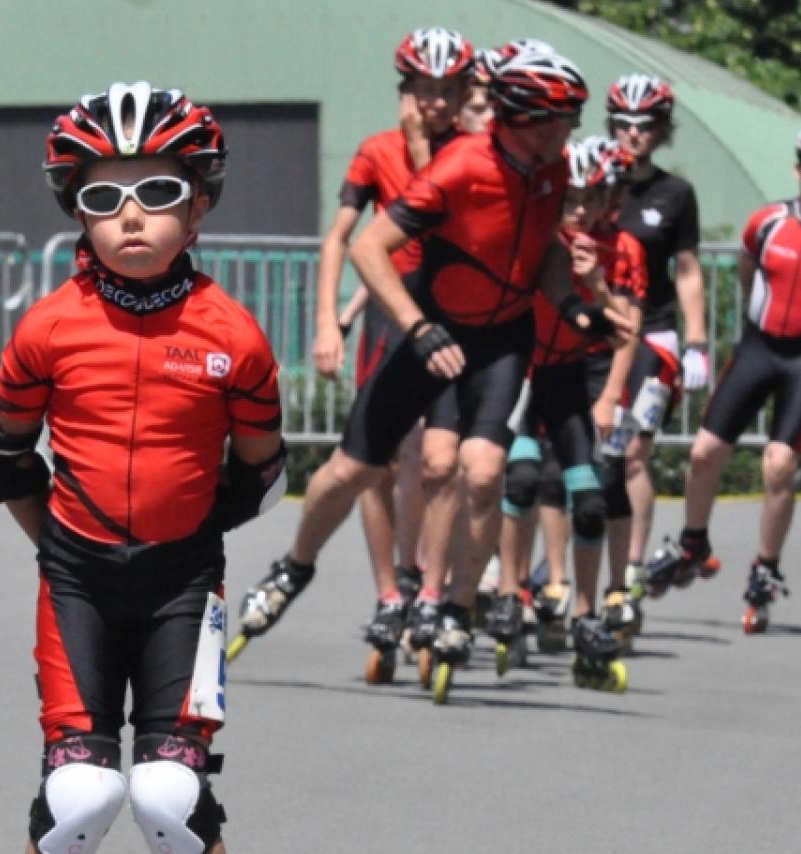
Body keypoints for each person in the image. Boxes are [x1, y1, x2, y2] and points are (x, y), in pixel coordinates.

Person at [0, 81, 284, 854]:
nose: (131, 216)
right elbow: (4, 458)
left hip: (183, 586)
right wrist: (60, 547)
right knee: (76, 793)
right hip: (75, 580)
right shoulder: (47, 329)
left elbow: (260, 473)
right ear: (76, 212)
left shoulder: (234, 336)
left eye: (158, 191)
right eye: (103, 198)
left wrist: (186, 546)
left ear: (201, 205)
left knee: (168, 793)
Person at [229, 42, 629, 695]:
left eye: (571, 121)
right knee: (353, 470)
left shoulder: (552, 169)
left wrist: (576, 310)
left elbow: (545, 254)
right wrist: (416, 327)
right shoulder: (462, 166)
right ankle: (295, 564)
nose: (568, 135)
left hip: (503, 340)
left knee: (483, 471)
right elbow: (368, 246)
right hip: (432, 328)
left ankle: (456, 610)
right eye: (559, 121)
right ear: (522, 117)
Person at [645, 121, 801, 633]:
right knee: (704, 453)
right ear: (798, 170)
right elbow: (749, 274)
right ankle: (692, 544)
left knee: (779, 464)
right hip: (758, 347)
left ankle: (766, 568)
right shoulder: (766, 222)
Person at [310, 27, 476, 681]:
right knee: (374, 466)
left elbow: (444, 218)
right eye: (424, 89)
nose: (436, 103)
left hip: (451, 317)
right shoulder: (376, 150)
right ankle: (389, 593)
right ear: (406, 91)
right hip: (389, 313)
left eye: (448, 91)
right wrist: (328, 323)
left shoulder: (473, 153)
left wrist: (422, 149)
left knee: (440, 464)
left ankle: (430, 586)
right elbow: (339, 238)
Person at [489, 136, 640, 692]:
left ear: (604, 203)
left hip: (571, 378)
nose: (577, 211)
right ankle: (509, 593)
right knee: (523, 478)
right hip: (525, 375)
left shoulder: (619, 249)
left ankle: (585, 614)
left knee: (592, 502)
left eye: (588, 200)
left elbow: (625, 329)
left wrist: (596, 282)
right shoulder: (532, 237)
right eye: (569, 199)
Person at [605, 74, 708, 600]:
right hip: (598, 332)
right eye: (623, 124)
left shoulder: (676, 194)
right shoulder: (594, 182)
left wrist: (697, 343)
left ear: (663, 131)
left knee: (630, 453)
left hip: (654, 333)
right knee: (585, 455)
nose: (633, 134)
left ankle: (631, 567)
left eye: (645, 125)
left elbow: (686, 269)